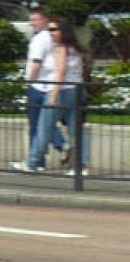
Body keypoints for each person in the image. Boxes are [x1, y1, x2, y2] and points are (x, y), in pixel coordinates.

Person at [13, 17, 91, 176]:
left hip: (60, 91)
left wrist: (54, 94)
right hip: (76, 90)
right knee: (76, 130)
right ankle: (81, 166)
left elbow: (60, 71)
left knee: (44, 129)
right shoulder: (75, 49)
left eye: (54, 30)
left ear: (63, 31)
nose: (51, 33)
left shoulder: (60, 49)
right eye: (49, 30)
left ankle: (32, 162)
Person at [23, 4, 66, 166]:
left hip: (38, 86)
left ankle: (38, 160)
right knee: (45, 122)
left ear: (45, 20)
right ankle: (59, 147)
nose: (32, 23)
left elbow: (36, 64)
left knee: (37, 125)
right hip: (51, 85)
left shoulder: (40, 39)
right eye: (31, 20)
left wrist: (30, 82)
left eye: (35, 19)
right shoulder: (54, 37)